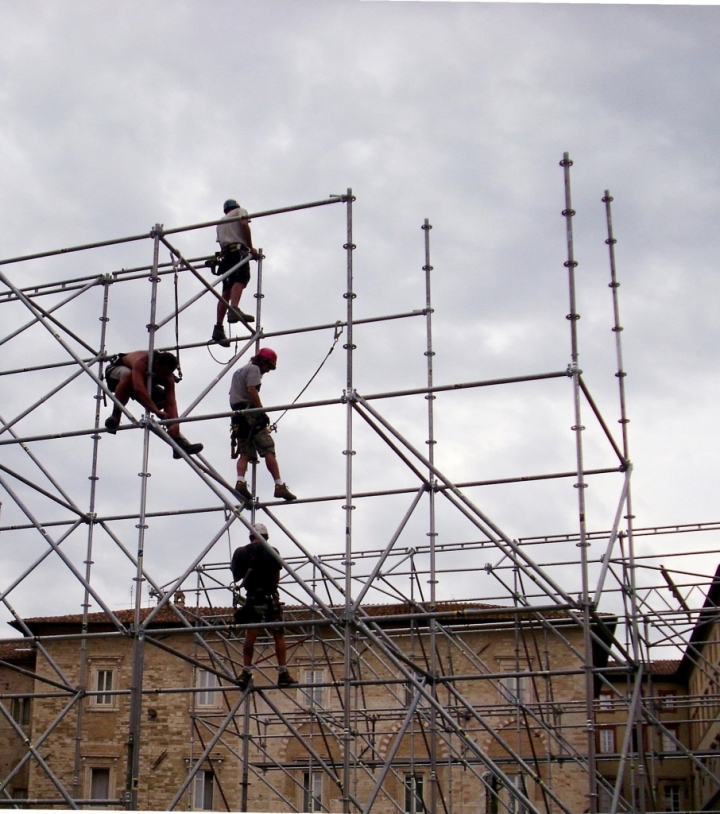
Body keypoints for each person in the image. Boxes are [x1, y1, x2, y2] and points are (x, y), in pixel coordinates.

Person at [231, 523, 297, 690]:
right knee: (278, 634)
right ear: (266, 536)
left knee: (250, 635)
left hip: (252, 598)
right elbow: (276, 578)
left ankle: (246, 672)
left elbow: (236, 577)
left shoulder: (241, 552)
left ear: (250, 536)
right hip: (270, 598)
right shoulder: (272, 551)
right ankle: (283, 673)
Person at [103, 350, 203, 458]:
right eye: (162, 373)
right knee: (128, 375)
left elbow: (171, 402)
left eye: (166, 374)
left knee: (163, 399)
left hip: (143, 379)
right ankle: (116, 416)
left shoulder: (168, 376)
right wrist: (156, 411)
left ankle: (177, 443)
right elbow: (139, 389)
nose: (163, 376)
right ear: (156, 364)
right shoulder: (142, 362)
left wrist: (175, 424)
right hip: (118, 372)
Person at [229, 347, 297, 503]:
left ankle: (240, 481)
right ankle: (279, 485)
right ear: (263, 361)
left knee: (245, 452)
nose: (267, 371)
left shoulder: (239, 372)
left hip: (238, 416)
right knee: (268, 449)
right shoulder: (254, 369)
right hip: (250, 412)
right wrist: (261, 411)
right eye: (268, 367)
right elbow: (252, 390)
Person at [211, 199, 260, 348]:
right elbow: (244, 225)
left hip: (226, 255)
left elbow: (221, 243)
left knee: (226, 290)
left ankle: (218, 327)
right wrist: (251, 247)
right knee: (241, 279)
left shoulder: (220, 223)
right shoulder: (240, 211)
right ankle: (234, 309)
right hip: (238, 252)